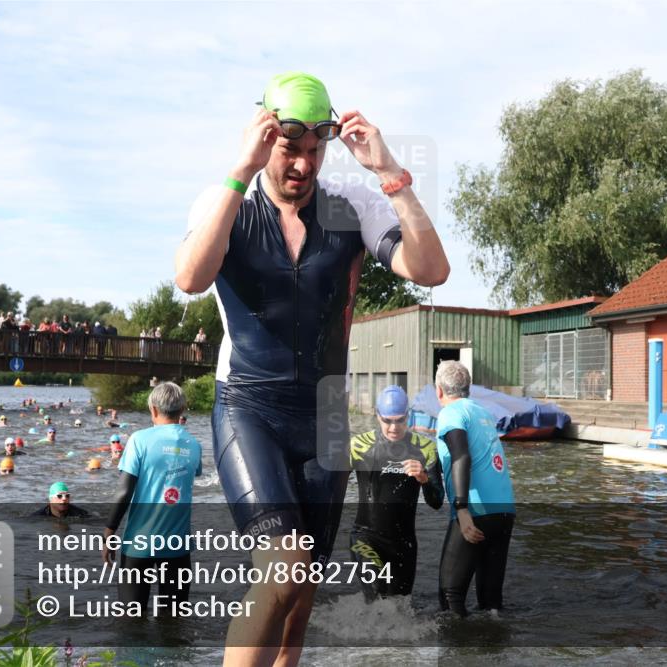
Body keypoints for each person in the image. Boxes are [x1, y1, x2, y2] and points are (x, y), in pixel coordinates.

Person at [174, 71, 449, 665]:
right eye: (289, 149)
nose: (302, 164)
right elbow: (191, 278)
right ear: (263, 137)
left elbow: (430, 270)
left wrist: (390, 172)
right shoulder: (226, 204)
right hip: (250, 404)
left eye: (313, 151)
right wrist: (239, 171)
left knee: (302, 590)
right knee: (284, 567)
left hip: (325, 412)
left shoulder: (351, 210)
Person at [102, 382, 202, 615]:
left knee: (131, 618)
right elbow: (192, 474)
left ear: (153, 410)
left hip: (140, 544)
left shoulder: (139, 439)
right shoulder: (194, 445)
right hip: (178, 546)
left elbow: (124, 491)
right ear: (183, 409)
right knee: (173, 620)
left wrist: (109, 532)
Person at [433, 361, 516, 618]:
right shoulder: (483, 413)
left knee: (450, 597)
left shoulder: (450, 413)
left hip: (476, 509)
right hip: (504, 511)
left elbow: (461, 457)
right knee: (491, 602)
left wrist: (461, 508)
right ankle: (493, 649)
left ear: (439, 391)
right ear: (469, 389)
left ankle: (457, 654)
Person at [349, 386, 443, 601]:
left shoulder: (425, 448)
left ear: (408, 416)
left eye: (400, 420)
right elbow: (330, 488)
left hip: (404, 544)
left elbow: (436, 501)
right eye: (388, 420)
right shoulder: (358, 446)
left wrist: (424, 479)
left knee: (400, 610)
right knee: (375, 604)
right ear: (377, 415)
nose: (394, 427)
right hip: (366, 538)